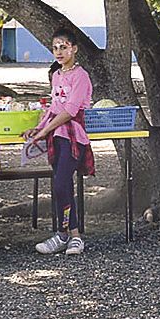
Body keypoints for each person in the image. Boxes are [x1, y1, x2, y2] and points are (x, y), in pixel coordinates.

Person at [23, 28, 94, 257]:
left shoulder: (80, 76)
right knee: (59, 185)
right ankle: (63, 234)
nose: (59, 51)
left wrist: (44, 131)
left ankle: (74, 236)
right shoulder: (57, 75)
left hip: (74, 138)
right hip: (57, 137)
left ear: (74, 48)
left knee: (62, 183)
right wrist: (39, 126)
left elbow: (70, 111)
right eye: (55, 47)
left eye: (63, 47)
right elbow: (54, 108)